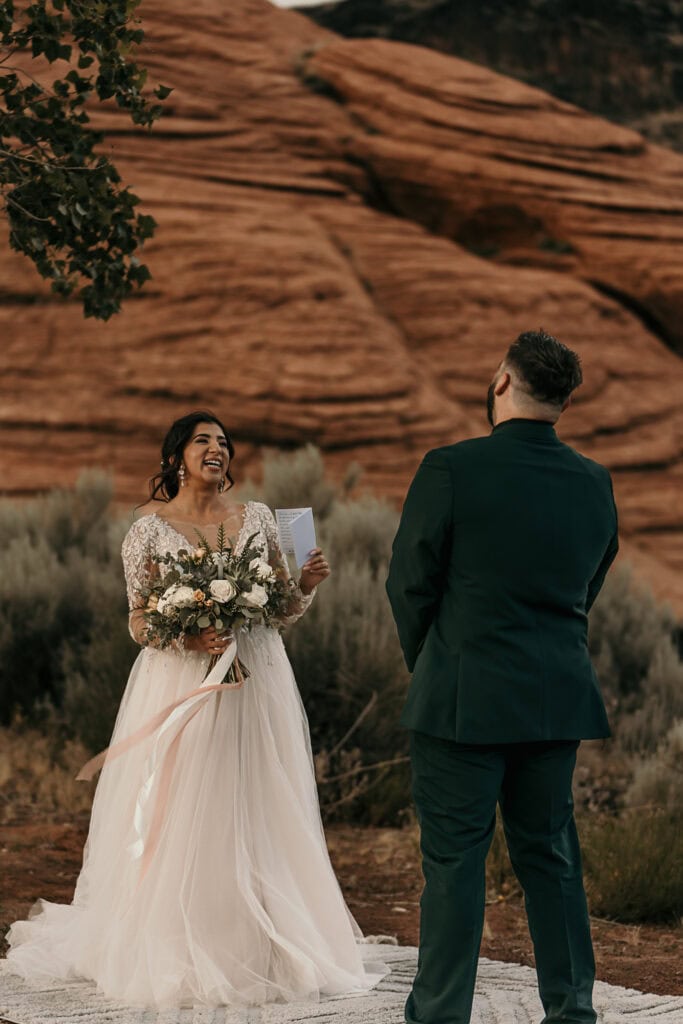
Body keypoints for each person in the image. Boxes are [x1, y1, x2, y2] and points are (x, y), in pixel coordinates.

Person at [6, 410, 388, 1008]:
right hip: (182, 682)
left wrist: (306, 586)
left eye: (224, 442)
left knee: (256, 798)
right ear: (177, 456)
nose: (218, 449)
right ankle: (185, 939)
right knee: (188, 801)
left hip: (255, 679)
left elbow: (280, 612)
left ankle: (265, 944)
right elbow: (137, 618)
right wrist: (186, 639)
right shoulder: (147, 529)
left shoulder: (258, 517)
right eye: (203, 440)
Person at [386, 331, 619, 1024]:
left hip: (461, 698)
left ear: (499, 383)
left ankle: (439, 1016)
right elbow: (588, 582)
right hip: (553, 697)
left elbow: (409, 585)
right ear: (563, 400)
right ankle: (571, 1012)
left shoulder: (450, 468)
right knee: (550, 858)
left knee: (455, 866)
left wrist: (434, 662)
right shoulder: (593, 480)